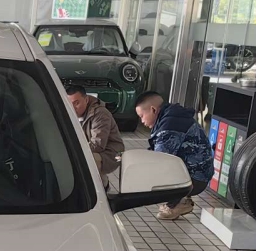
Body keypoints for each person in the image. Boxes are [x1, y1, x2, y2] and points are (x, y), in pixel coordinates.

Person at [134, 91, 215, 220]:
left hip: (196, 179)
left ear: (153, 110)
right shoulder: (171, 117)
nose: (142, 121)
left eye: (142, 116)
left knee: (150, 176)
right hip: (199, 174)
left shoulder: (170, 125)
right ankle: (180, 199)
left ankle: (177, 203)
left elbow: (159, 160)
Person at [66, 84, 124, 186]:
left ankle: (102, 186)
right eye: (70, 104)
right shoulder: (70, 114)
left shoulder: (101, 114)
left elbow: (98, 145)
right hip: (94, 151)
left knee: (86, 161)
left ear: (86, 100)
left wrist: (73, 151)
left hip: (114, 154)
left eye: (76, 103)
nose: (73, 108)